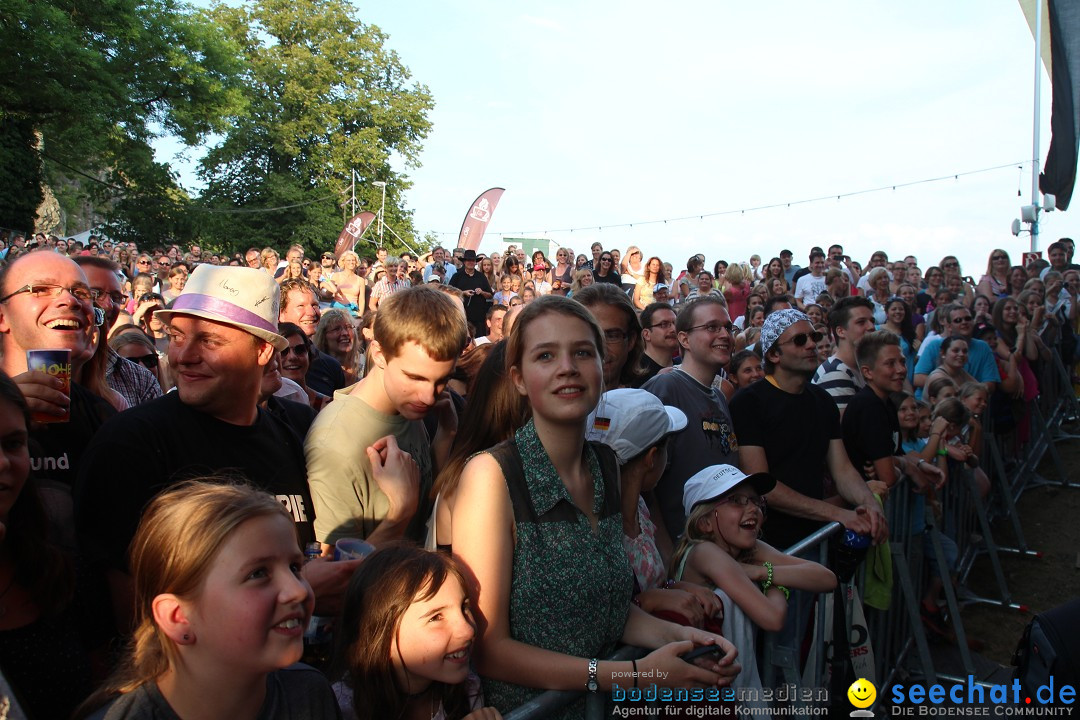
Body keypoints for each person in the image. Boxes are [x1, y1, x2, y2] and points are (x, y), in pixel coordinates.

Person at [450, 296, 738, 718]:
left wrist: (684, 639)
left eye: (583, 352)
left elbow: (607, 610)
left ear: (603, 369)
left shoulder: (605, 464)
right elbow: (491, 651)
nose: (567, 367)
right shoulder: (491, 476)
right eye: (545, 355)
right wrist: (633, 675)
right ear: (517, 378)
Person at [75, 266, 358, 630]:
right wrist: (296, 592)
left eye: (209, 341)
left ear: (262, 351)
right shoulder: (131, 443)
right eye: (176, 337)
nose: (183, 356)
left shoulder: (289, 433)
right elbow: (135, 623)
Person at [76, 481, 340, 720]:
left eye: (295, 567)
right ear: (178, 617)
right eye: (258, 573)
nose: (298, 590)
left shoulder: (308, 693)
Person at [305, 286, 468, 549]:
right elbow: (335, 576)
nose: (428, 396)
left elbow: (424, 489)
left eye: (442, 380)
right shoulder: (336, 442)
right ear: (379, 353)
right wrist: (399, 514)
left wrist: (445, 434)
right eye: (415, 377)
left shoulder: (406, 405)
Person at [671, 465, 836, 697]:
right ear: (705, 522)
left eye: (754, 500)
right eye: (737, 501)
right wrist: (773, 579)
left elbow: (826, 578)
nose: (752, 509)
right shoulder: (703, 552)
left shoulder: (748, 548)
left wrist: (760, 573)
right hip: (698, 692)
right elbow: (773, 617)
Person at [331, 546, 499, 720]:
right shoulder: (339, 708)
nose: (467, 630)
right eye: (436, 617)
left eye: (464, 607)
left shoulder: (466, 690)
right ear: (380, 633)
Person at [642, 296, 739, 539]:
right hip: (684, 549)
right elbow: (643, 483)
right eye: (712, 327)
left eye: (728, 327)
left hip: (721, 544)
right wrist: (666, 553)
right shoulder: (666, 387)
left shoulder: (719, 395)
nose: (725, 335)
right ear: (684, 339)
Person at [74, 256, 162, 407]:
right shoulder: (32, 368)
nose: (108, 305)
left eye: (115, 297)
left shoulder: (140, 378)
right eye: (95, 293)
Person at [278, 278, 347, 396]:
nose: (311, 312)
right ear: (281, 313)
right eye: (301, 306)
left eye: (314, 305)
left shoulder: (331, 366)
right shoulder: (267, 364)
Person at [573, 283, 648, 390]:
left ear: (631, 340)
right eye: (587, 335)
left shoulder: (647, 405)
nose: (600, 347)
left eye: (611, 336)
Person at [812, 296, 876, 416]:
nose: (871, 327)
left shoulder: (860, 367)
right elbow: (846, 430)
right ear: (840, 331)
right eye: (861, 322)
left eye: (872, 321)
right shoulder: (835, 373)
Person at [279, 322, 331, 411]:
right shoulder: (262, 407)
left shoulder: (329, 406)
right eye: (283, 351)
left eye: (300, 350)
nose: (292, 357)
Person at [449, 250, 493, 338]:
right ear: (464, 262)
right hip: (462, 316)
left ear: (475, 262)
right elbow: (448, 292)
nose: (470, 262)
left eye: (472, 260)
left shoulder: (481, 276)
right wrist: (462, 293)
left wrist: (482, 292)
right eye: (468, 260)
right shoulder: (457, 276)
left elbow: (490, 295)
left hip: (479, 317)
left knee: (479, 340)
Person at [315, 309, 363, 385]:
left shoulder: (364, 364)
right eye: (337, 329)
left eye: (348, 327)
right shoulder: (318, 370)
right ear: (324, 337)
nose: (345, 333)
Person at [639, 301, 679, 381]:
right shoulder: (635, 371)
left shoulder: (683, 368)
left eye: (676, 323)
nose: (673, 329)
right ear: (647, 334)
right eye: (664, 324)